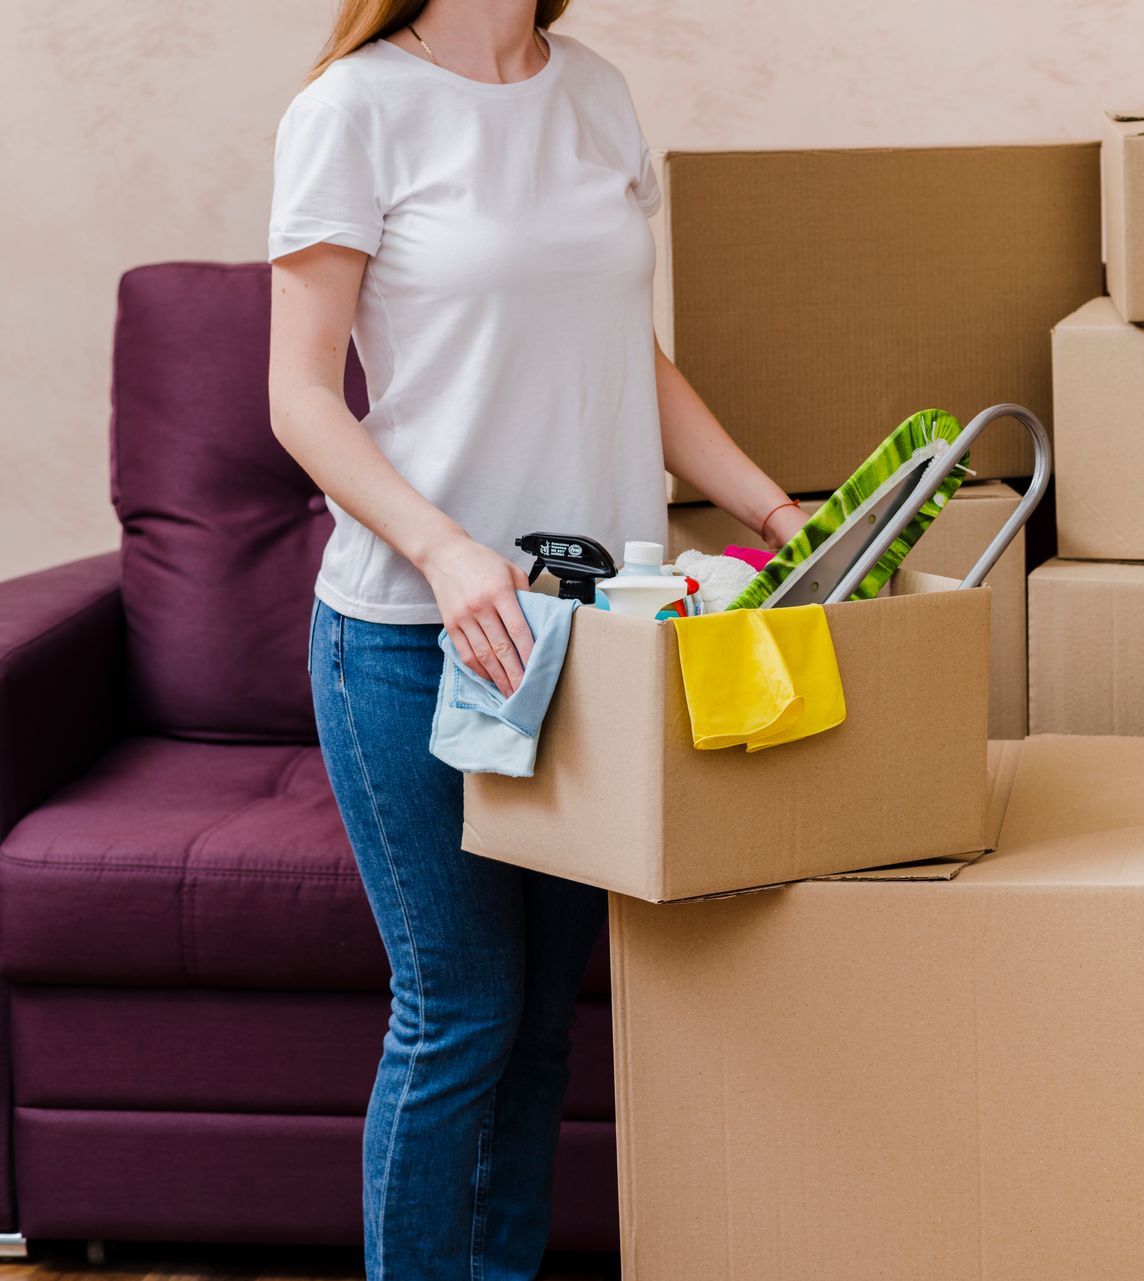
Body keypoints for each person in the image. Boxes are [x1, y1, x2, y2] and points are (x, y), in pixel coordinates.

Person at [265, 2, 806, 1276]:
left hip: (597, 645)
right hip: (411, 636)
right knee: (460, 1013)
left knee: (546, 1026)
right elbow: (297, 394)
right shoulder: (352, 108)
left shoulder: (596, 90)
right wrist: (448, 550)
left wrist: (772, 507)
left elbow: (630, 353)